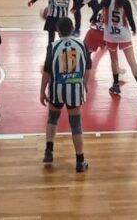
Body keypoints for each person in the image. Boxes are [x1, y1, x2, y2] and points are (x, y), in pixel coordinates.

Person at [40, 17, 91, 171]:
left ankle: (49, 151)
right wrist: (84, 84)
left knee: (52, 119)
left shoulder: (53, 46)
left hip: (57, 88)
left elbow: (47, 71)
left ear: (57, 30)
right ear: (73, 28)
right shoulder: (82, 44)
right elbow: (88, 68)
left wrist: (42, 91)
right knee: (76, 125)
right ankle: (80, 161)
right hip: (75, 88)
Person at [95, 0, 137, 99]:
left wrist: (93, 19)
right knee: (132, 62)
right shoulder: (126, 3)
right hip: (123, 34)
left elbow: (98, 8)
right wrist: (134, 29)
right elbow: (130, 19)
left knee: (114, 60)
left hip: (110, 34)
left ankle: (116, 85)